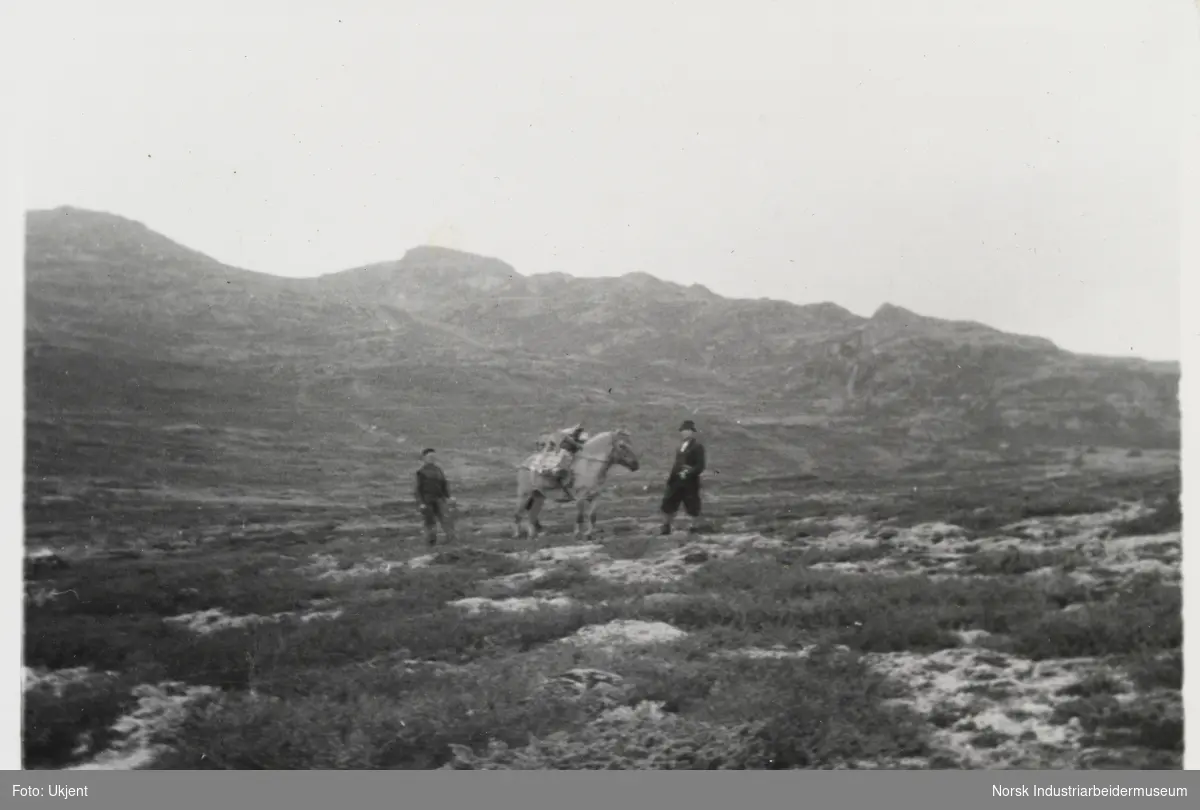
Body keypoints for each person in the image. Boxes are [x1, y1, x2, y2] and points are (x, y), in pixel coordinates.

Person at [660, 420, 706, 537]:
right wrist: (671, 478)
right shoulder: (680, 447)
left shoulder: (697, 447)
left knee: (692, 504)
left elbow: (700, 465)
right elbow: (677, 464)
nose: (685, 433)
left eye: (688, 431)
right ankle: (666, 527)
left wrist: (689, 472)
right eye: (683, 431)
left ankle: (693, 528)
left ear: (692, 432)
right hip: (676, 480)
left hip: (689, 482)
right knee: (668, 502)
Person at [415, 448, 457, 546]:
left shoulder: (438, 470)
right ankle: (431, 544)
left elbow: (444, 484)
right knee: (430, 524)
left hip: (439, 500)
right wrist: (421, 503)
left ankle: (450, 543)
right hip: (427, 501)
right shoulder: (421, 472)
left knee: (446, 521)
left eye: (433, 457)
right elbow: (417, 489)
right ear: (424, 458)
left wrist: (448, 497)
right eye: (429, 457)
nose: (432, 459)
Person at [552, 424, 588, 502]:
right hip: (562, 454)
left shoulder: (582, 438)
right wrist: (575, 444)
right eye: (577, 431)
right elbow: (561, 434)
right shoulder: (566, 435)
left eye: (579, 432)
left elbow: (582, 447)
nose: (577, 433)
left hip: (572, 456)